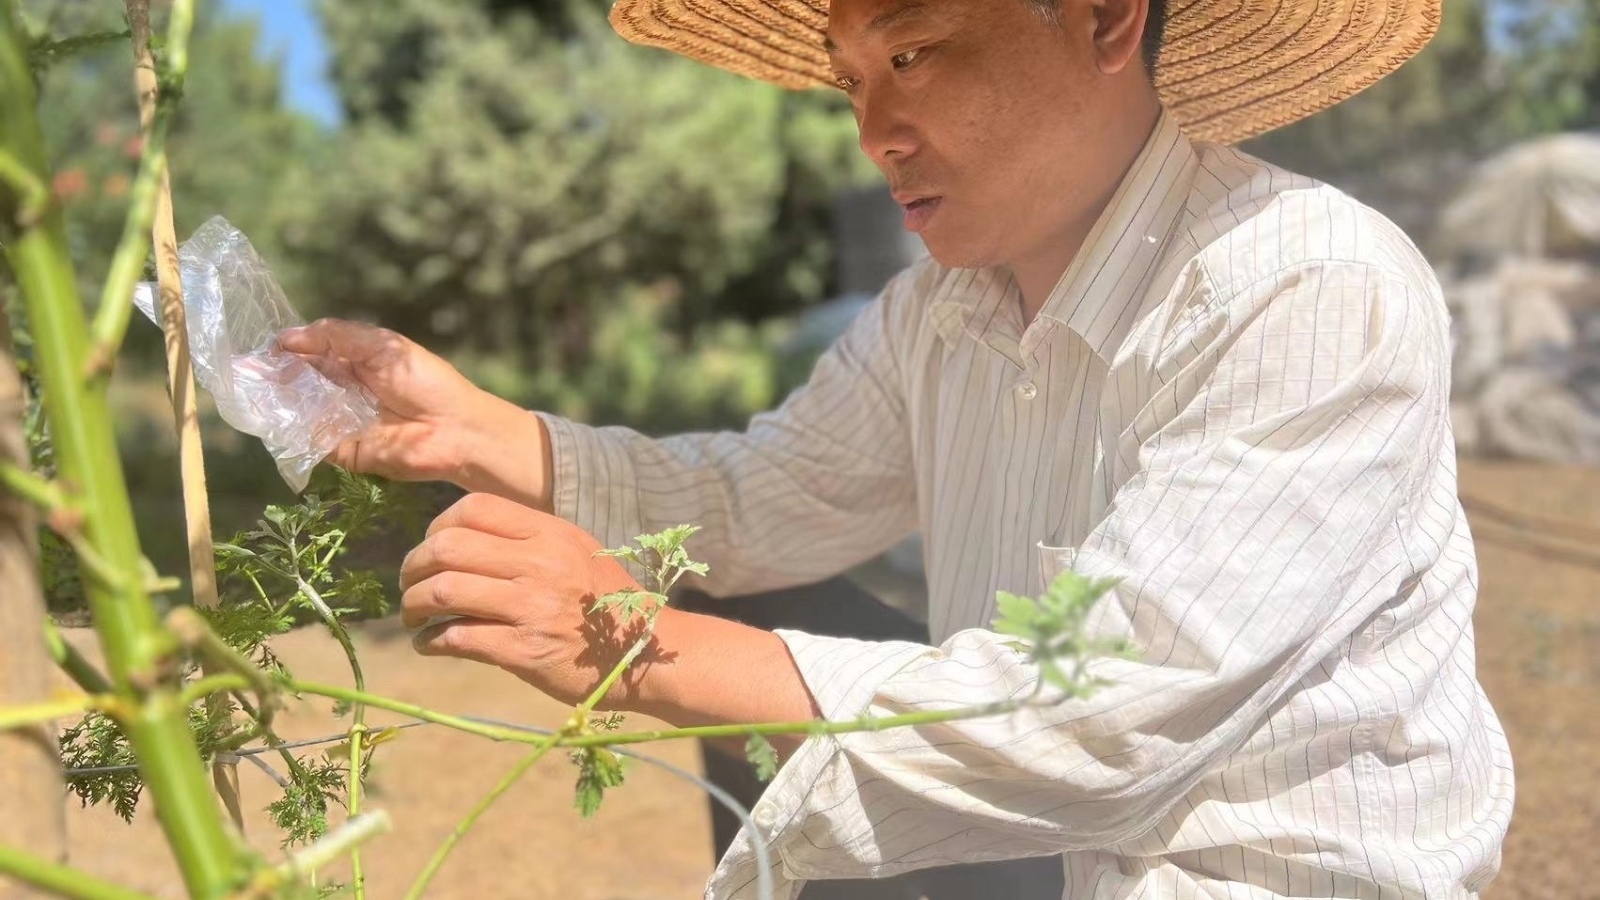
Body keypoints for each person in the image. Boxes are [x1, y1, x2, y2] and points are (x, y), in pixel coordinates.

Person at [278, 0, 1516, 897]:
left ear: (1103, 18)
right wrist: (481, 431)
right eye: (851, 79)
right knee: (751, 603)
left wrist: (634, 644)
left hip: (1242, 876)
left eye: (912, 54)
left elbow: (1109, 710)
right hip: (1051, 855)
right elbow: (761, 503)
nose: (875, 132)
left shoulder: (1302, 285)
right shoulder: (941, 316)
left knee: (727, 650)